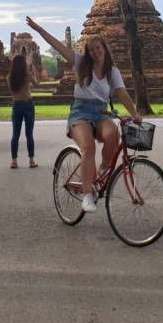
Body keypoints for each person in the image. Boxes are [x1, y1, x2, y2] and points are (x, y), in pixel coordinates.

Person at [26, 15, 142, 213]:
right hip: (80, 111)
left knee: (113, 134)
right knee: (88, 147)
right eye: (92, 49)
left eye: (99, 48)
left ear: (104, 49)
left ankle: (103, 170)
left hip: (102, 112)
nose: (96, 52)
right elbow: (59, 46)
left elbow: (121, 93)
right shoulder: (80, 64)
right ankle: (87, 194)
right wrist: (39, 30)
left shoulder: (112, 71)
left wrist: (135, 113)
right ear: (88, 53)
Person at [8, 54, 40, 169]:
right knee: (29, 134)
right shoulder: (27, 75)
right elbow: (37, 84)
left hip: (16, 104)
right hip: (28, 104)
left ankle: (14, 161)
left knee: (15, 135)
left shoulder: (10, 77)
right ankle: (31, 160)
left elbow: (12, 90)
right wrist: (33, 72)